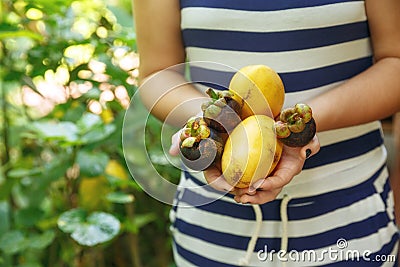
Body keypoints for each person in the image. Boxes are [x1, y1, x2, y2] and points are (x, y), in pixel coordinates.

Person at [133, 0, 400, 266]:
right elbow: (156, 73)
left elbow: (395, 62)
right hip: (213, 223)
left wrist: (297, 129)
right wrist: (217, 123)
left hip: (347, 216)